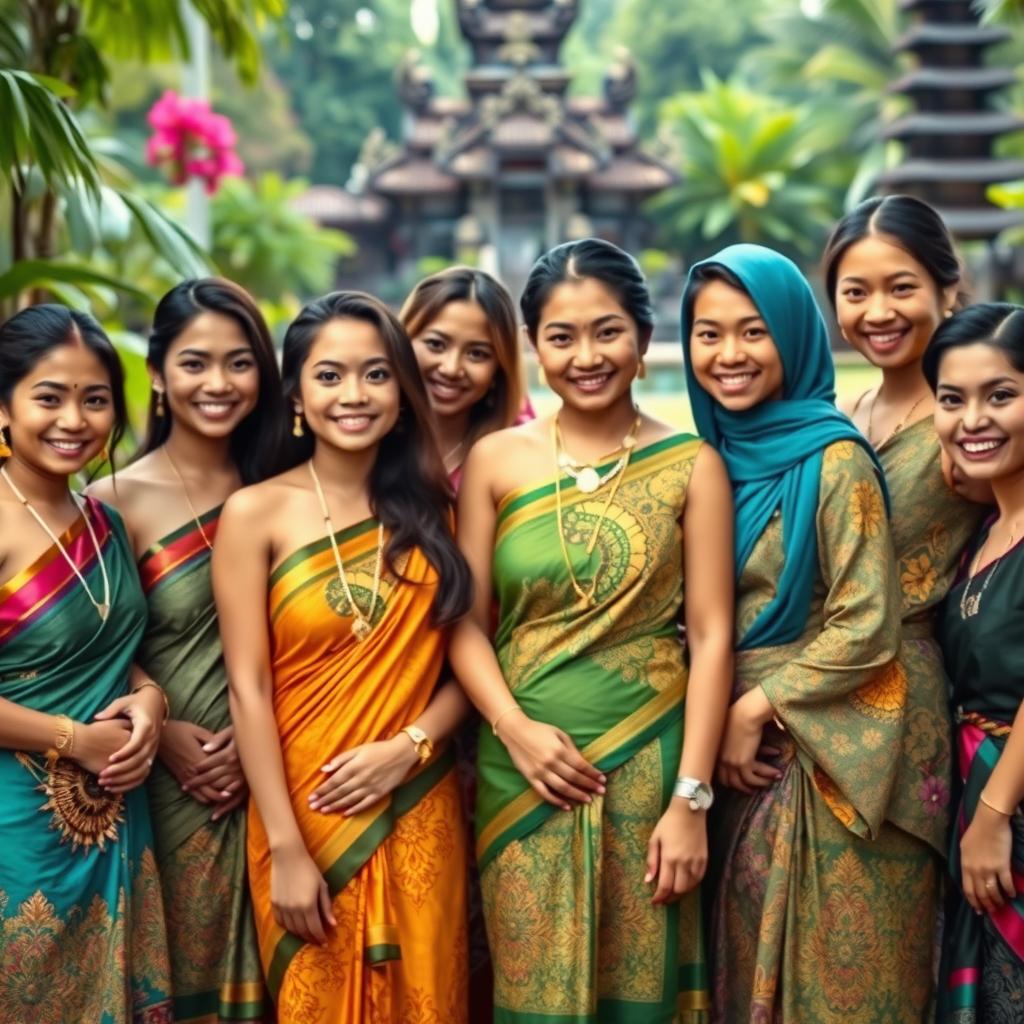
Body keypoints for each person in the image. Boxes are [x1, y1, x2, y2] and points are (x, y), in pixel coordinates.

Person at [451, 237, 734, 1023]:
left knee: (642, 994)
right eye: (561, 336)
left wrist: (691, 800)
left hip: (652, 766)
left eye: (607, 331)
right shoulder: (496, 461)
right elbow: (466, 627)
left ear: (644, 341)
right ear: (534, 348)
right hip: (524, 770)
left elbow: (712, 637)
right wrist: (514, 730)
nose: (587, 355)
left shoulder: (690, 464)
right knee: (531, 990)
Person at [681, 245, 930, 1022]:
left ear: (792, 334)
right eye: (707, 334)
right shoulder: (706, 457)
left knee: (839, 985)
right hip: (733, 759)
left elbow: (866, 619)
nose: (728, 356)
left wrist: (754, 712)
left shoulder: (832, 456)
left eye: (753, 332)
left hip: (828, 752)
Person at [214, 290, 473, 1022]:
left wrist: (411, 747)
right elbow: (247, 688)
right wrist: (289, 847)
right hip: (302, 811)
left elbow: (470, 669)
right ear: (295, 393)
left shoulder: (438, 516)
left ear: (402, 392)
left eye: (376, 374)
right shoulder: (254, 512)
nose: (353, 396)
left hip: (419, 803)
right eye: (329, 377)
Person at [89, 278, 288, 1022]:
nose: (218, 383)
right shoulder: (112, 498)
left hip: (284, 770)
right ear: (160, 375)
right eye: (195, 362)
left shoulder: (293, 480)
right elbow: (92, 638)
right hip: (166, 783)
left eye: (239, 363)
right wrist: (162, 728)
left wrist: (266, 738)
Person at [822, 197, 989, 993]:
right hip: (814, 697)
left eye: (901, 287)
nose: (877, 312)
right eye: (855, 292)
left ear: (948, 291)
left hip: (905, 710)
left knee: (881, 961)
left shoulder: (969, 427)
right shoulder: (843, 414)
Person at [0, 304, 172, 1021]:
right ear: (3, 408)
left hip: (115, 823)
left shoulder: (105, 520)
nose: (74, 418)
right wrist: (77, 741)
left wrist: (150, 697)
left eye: (94, 398)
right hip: (15, 835)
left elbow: (110, 645)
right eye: (49, 396)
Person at [925, 302, 1024, 1021]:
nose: (972, 420)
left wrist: (992, 816)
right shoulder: (988, 531)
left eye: (1001, 396)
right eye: (952, 400)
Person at [401, 265, 528, 486]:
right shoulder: (367, 441)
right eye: (436, 344)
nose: (451, 369)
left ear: (500, 368)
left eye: (477, 354)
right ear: (402, 341)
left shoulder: (523, 454)